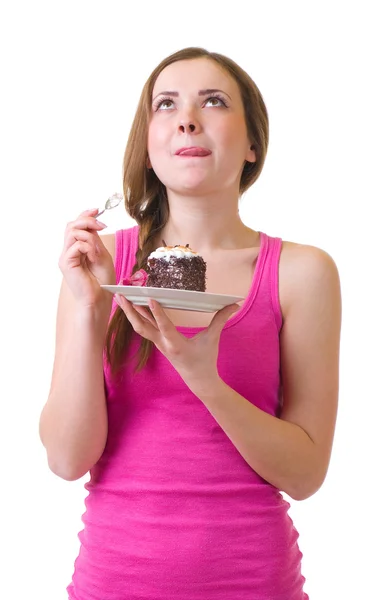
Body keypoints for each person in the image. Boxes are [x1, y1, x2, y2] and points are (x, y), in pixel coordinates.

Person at [39, 46, 342, 600]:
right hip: (112, 584)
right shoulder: (99, 265)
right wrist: (88, 308)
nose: (187, 117)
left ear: (253, 145)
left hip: (256, 584)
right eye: (167, 104)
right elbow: (65, 459)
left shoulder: (301, 273)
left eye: (214, 101)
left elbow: (304, 476)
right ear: (149, 146)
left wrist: (205, 377)